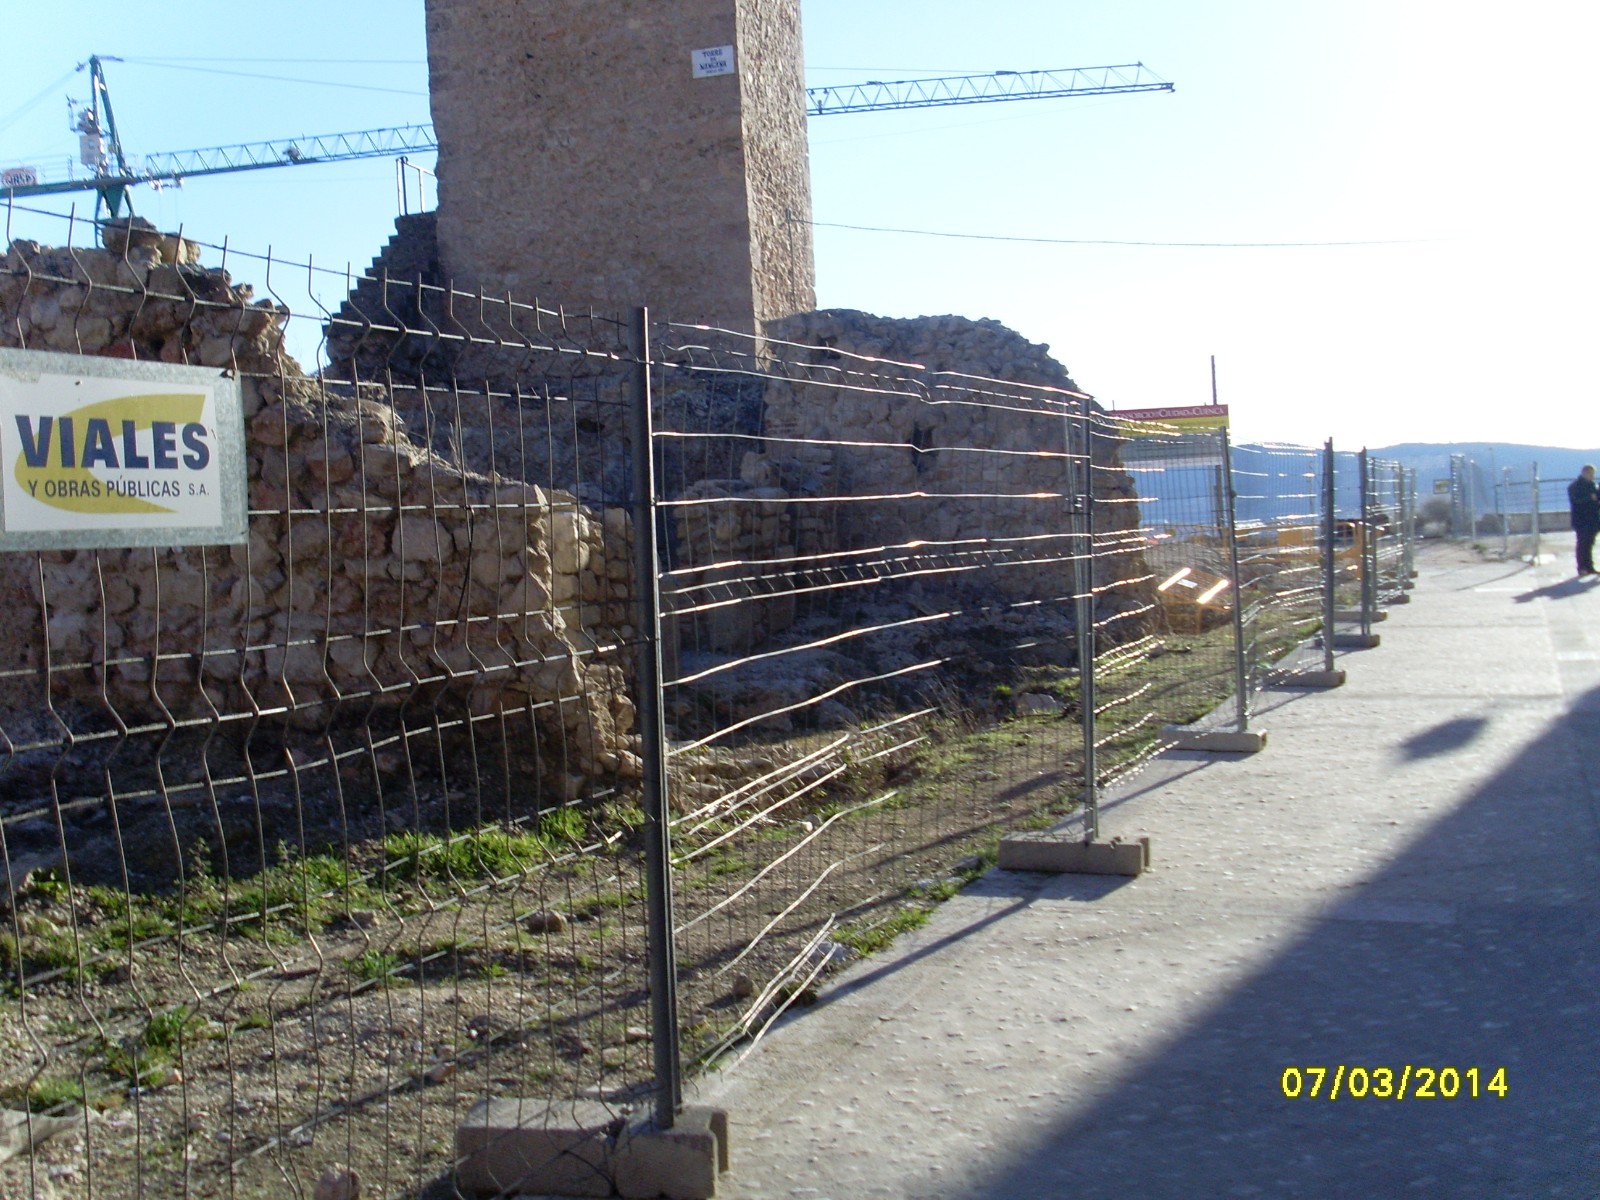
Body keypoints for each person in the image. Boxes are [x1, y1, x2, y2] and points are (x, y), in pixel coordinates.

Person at [1568, 464, 1600, 576]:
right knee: (1582, 544)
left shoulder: (1592, 485)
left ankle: (1589, 567)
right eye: (1590, 474)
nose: (1592, 476)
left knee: (1590, 543)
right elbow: (1576, 501)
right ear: (1584, 473)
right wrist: (1589, 498)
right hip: (1581, 519)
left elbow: (1597, 499)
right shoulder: (1575, 486)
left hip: (1593, 519)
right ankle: (1581, 567)